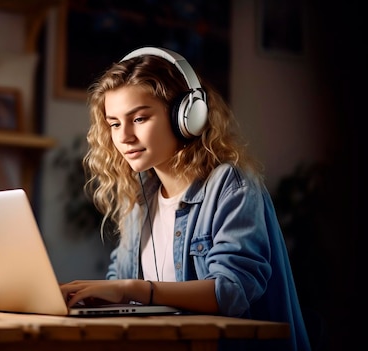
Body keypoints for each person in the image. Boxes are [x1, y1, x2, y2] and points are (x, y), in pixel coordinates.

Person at [59, 47, 311, 351]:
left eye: (139, 118)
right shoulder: (140, 200)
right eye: (114, 123)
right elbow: (120, 280)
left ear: (186, 116)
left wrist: (133, 289)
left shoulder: (229, 186)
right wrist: (90, 295)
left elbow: (232, 291)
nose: (123, 136)